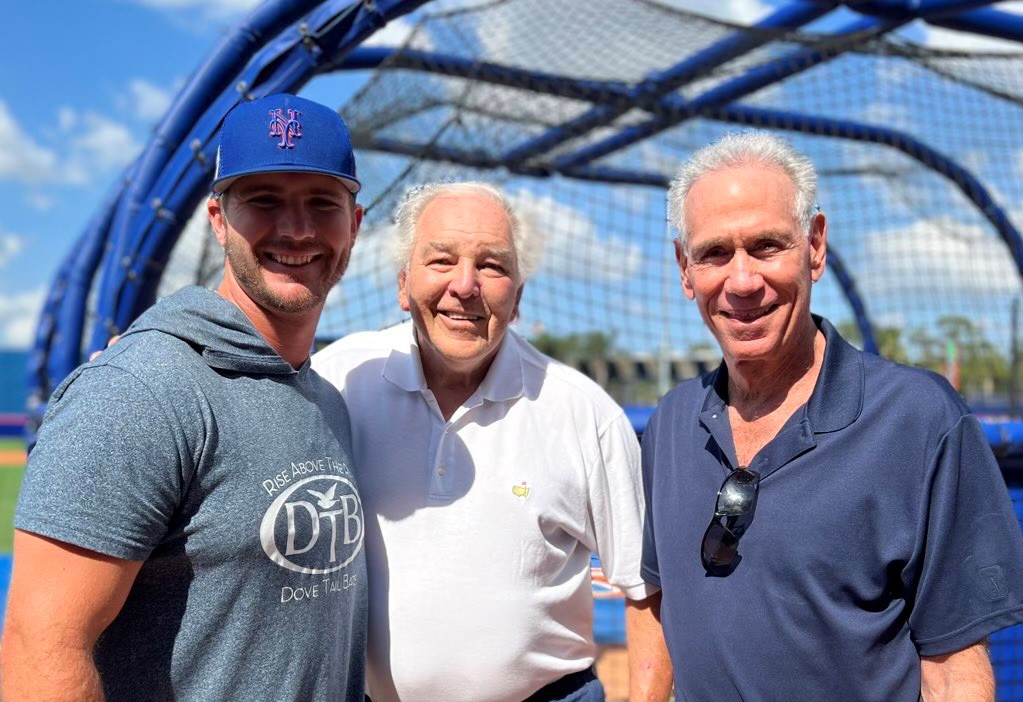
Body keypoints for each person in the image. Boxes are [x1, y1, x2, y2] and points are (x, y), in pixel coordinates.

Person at [2, 94, 367, 702]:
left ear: (354, 223)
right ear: (219, 219)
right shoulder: (139, 390)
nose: (298, 229)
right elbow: (42, 651)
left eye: (321, 203)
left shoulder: (324, 395)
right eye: (264, 200)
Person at [641, 131, 1023, 701]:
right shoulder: (671, 423)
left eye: (768, 246)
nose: (743, 281)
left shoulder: (918, 420)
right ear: (684, 269)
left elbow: (954, 670)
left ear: (815, 247)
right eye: (715, 253)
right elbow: (655, 599)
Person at [312, 182, 672, 702]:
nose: (465, 285)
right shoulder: (339, 382)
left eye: (493, 266)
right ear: (402, 283)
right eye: (441, 260)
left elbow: (648, 590)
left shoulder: (583, 412)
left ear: (519, 297)